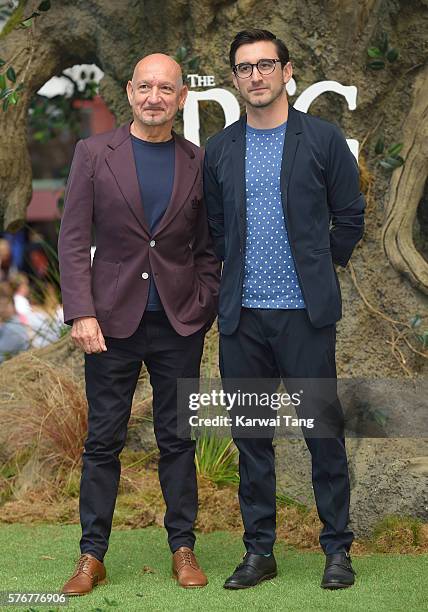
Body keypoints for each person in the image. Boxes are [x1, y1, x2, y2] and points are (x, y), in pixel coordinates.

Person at [204, 29, 365, 590]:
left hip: (305, 316)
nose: (256, 75)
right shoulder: (220, 148)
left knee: (323, 433)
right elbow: (217, 230)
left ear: (286, 71)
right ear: (235, 78)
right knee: (251, 438)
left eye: (265, 65)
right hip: (242, 317)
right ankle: (259, 552)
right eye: (245, 67)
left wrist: (320, 266)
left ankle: (337, 551)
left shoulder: (323, 139)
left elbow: (349, 218)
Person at [58, 54, 220, 596]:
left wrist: (203, 304)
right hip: (108, 323)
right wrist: (81, 311)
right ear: (129, 92)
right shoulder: (92, 154)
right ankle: (91, 555)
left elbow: (208, 247)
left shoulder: (197, 161)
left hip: (178, 323)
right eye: (146, 86)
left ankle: (183, 548)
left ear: (181, 98)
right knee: (103, 441)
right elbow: (74, 238)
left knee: (178, 439)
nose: (155, 97)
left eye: (166, 89)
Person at [0, 282, 29, 363]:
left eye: (4, 304)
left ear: (12, 304)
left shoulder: (13, 329)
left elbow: (1, 356)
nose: (1, 308)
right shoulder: (8, 324)